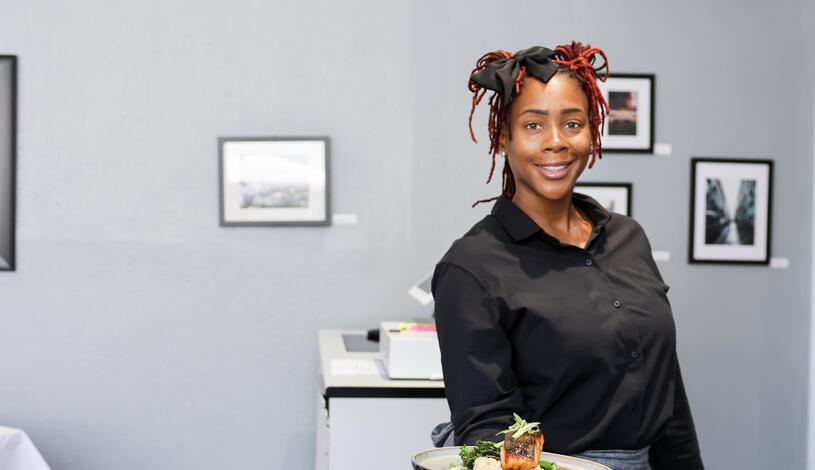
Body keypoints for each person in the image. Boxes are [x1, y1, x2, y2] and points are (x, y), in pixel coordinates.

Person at [431, 43, 704, 470]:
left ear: (591, 131)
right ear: (503, 136)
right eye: (533, 125)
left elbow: (667, 392)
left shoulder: (628, 238)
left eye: (572, 123)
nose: (556, 142)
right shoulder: (471, 268)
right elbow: (491, 426)